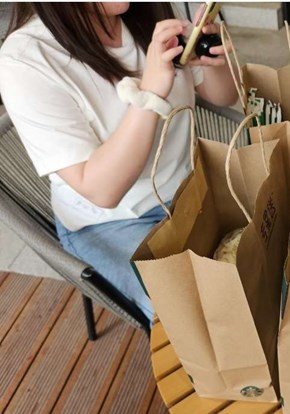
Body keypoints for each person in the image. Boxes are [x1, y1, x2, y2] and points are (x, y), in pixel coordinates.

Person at [0, 3, 239, 325]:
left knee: (271, 260)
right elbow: (102, 191)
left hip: (191, 191)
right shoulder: (25, 61)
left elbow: (223, 95)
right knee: (202, 320)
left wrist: (214, 53)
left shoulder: (148, 11)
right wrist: (150, 93)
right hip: (112, 223)